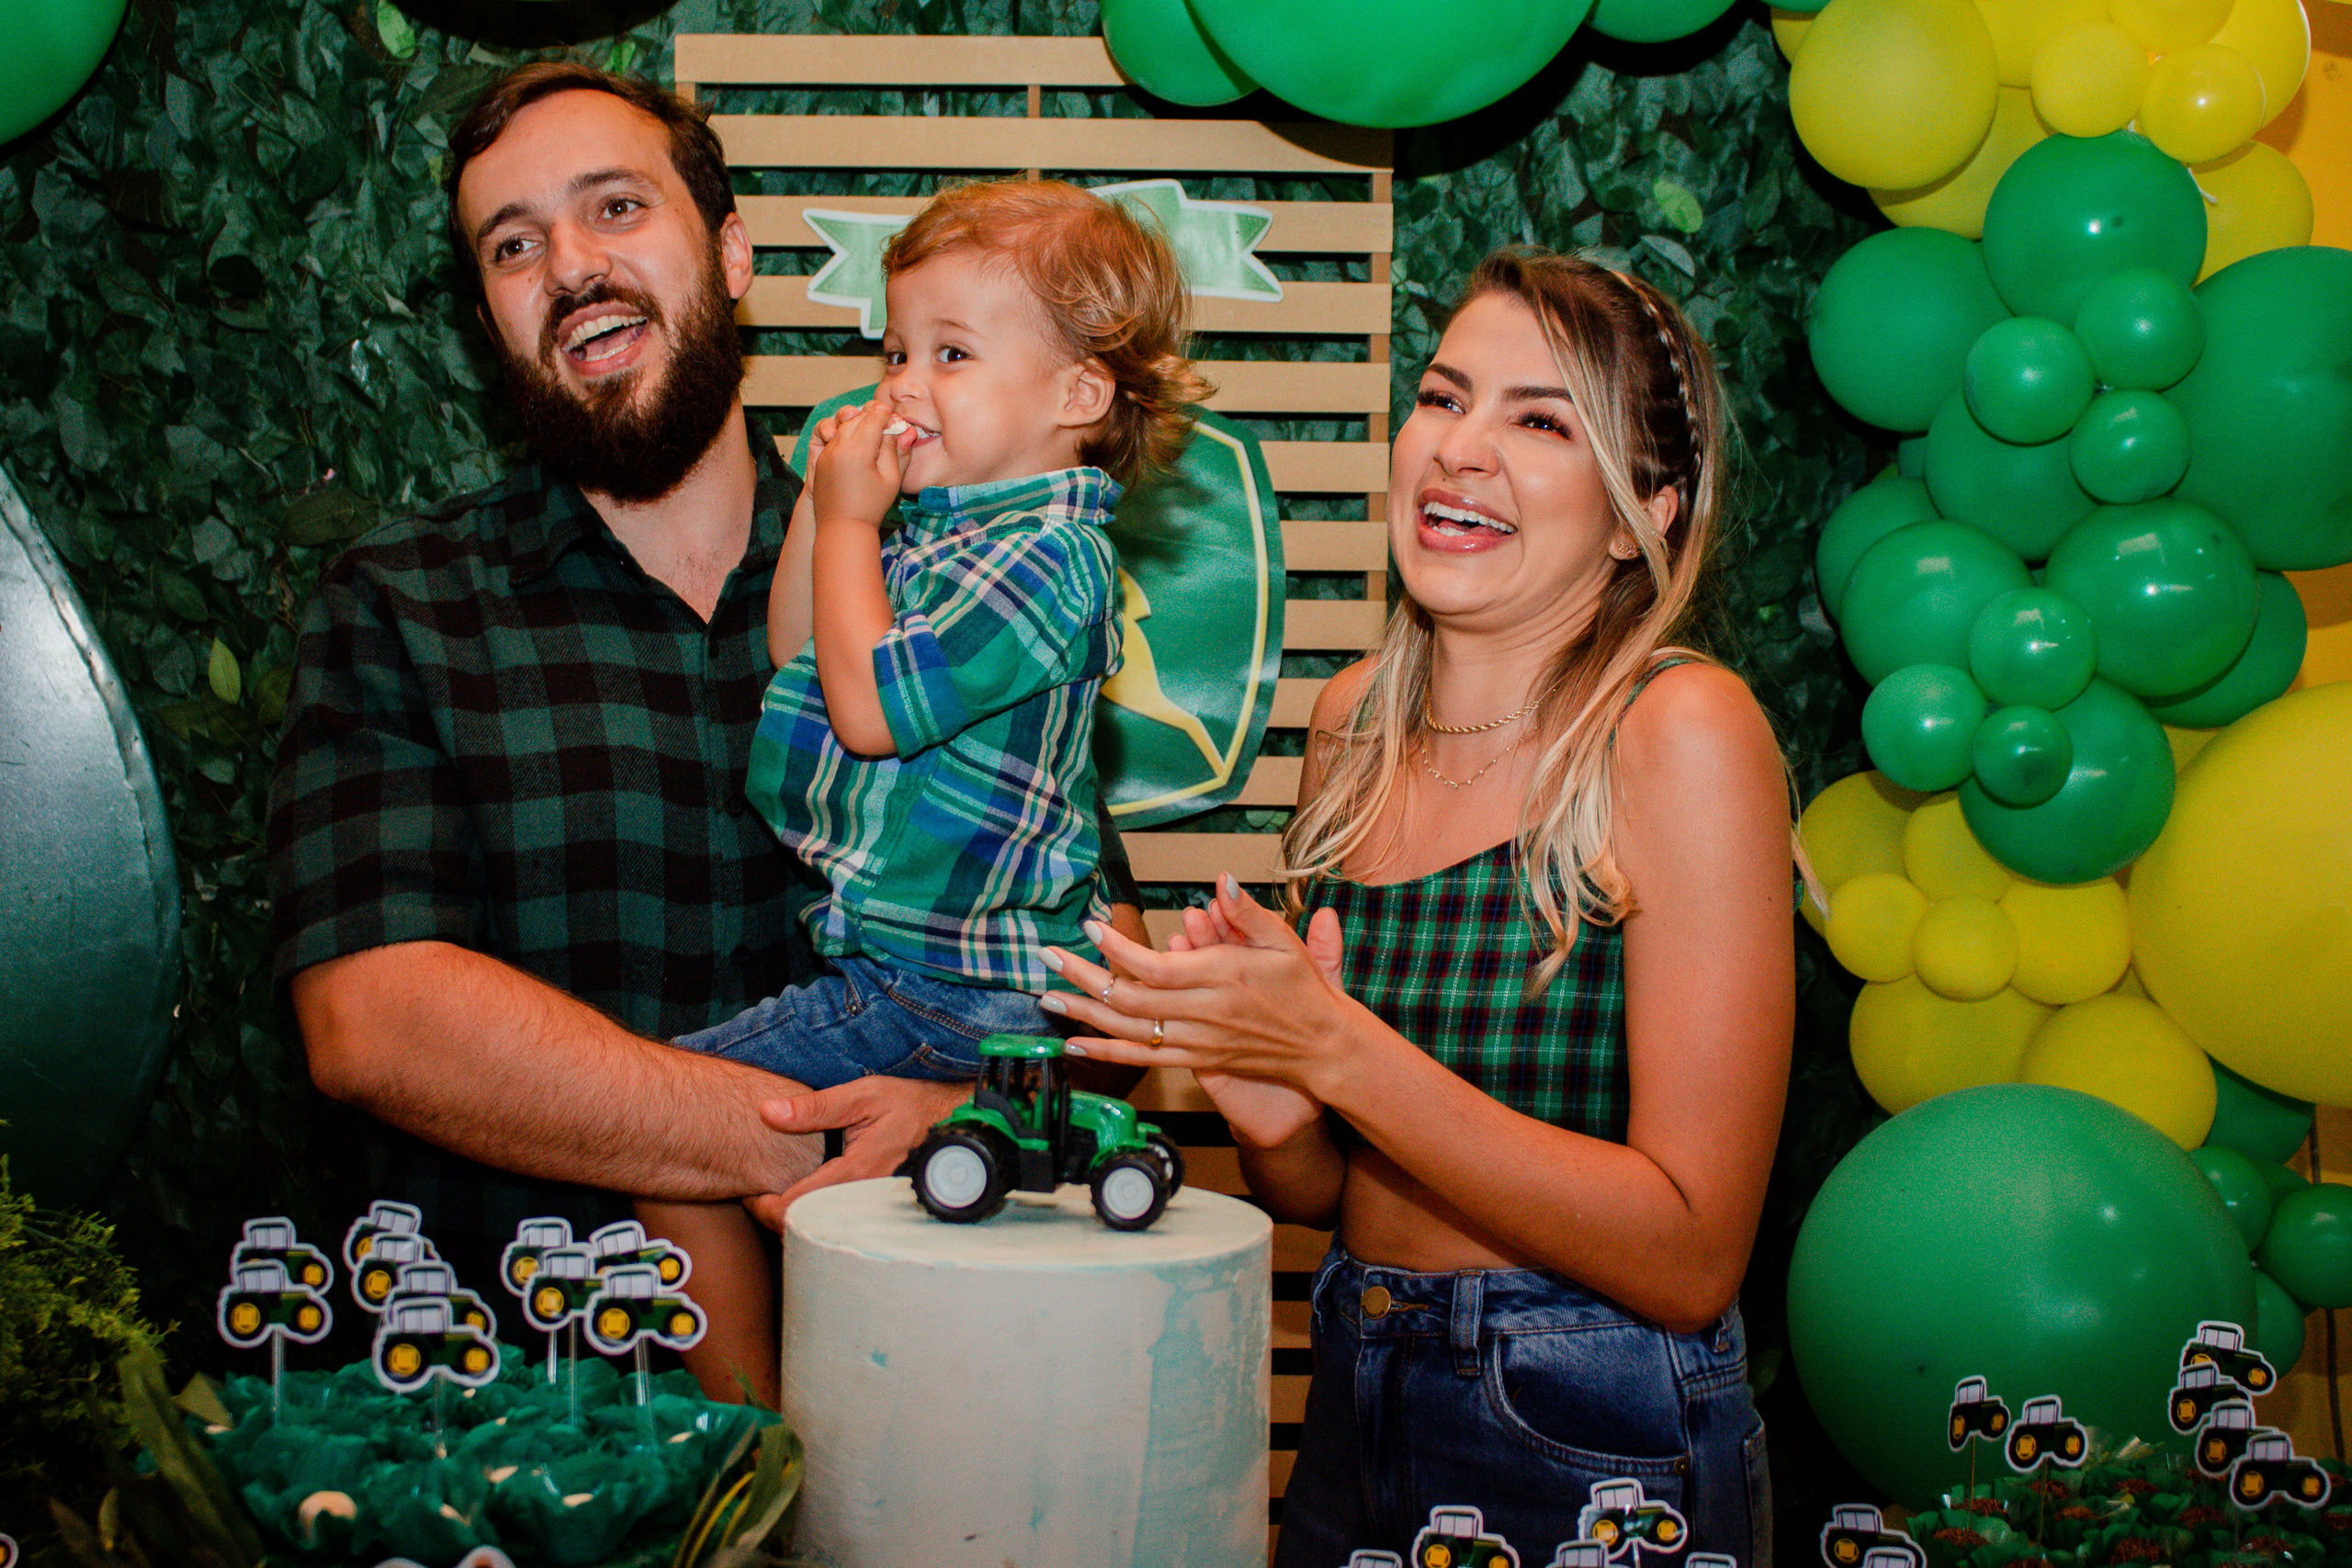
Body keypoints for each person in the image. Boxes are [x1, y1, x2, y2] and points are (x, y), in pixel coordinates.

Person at [265, 65, 1148, 1407]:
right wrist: (775, 1136)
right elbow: (376, 1024)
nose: (571, 266)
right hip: (530, 1415)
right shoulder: (402, 607)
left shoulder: (938, 579)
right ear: (489, 316)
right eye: (514, 245)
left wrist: (963, 1111)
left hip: (937, 1426)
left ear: (731, 254)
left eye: (615, 208)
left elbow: (1094, 968)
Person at [1035, 248, 1794, 1563]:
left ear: (1641, 515)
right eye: (1445, 398)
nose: (1462, 449)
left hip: (1592, 1427)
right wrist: (1275, 1108)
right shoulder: (1350, 730)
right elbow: (1335, 1191)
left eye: (1542, 421)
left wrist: (1341, 1052)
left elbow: (1689, 1253)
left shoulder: (1679, 729)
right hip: (1354, 1379)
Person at [639, 178, 1209, 1385]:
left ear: (1077, 395)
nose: (904, 383)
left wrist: (852, 528)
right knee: (693, 1134)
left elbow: (871, 709)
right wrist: (827, 509)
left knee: (668, 1119)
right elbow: (805, 650)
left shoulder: (1054, 560)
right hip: (911, 975)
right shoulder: (946, 534)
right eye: (896, 350)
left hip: (953, 990)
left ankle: (760, 1450)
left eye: (950, 352)